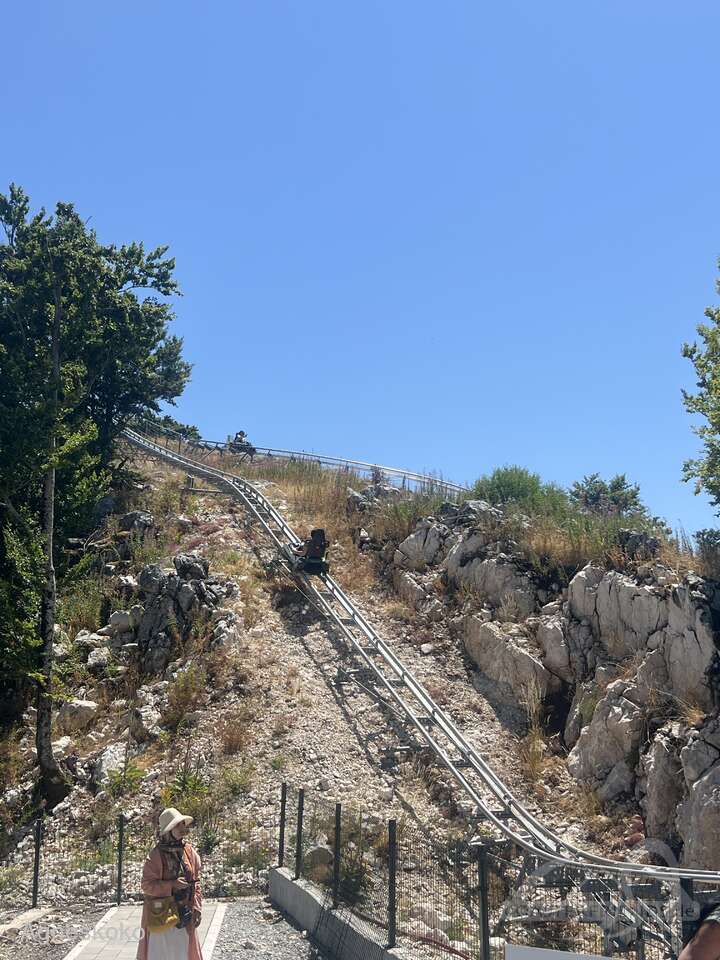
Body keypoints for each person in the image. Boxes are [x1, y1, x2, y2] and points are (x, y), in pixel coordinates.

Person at [137, 807, 203, 960]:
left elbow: (196, 883)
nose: (182, 828)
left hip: (184, 915)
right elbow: (147, 886)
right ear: (168, 830)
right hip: (161, 917)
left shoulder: (189, 852)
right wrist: (172, 885)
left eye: (182, 824)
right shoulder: (155, 856)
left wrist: (197, 907)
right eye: (177, 825)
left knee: (182, 954)